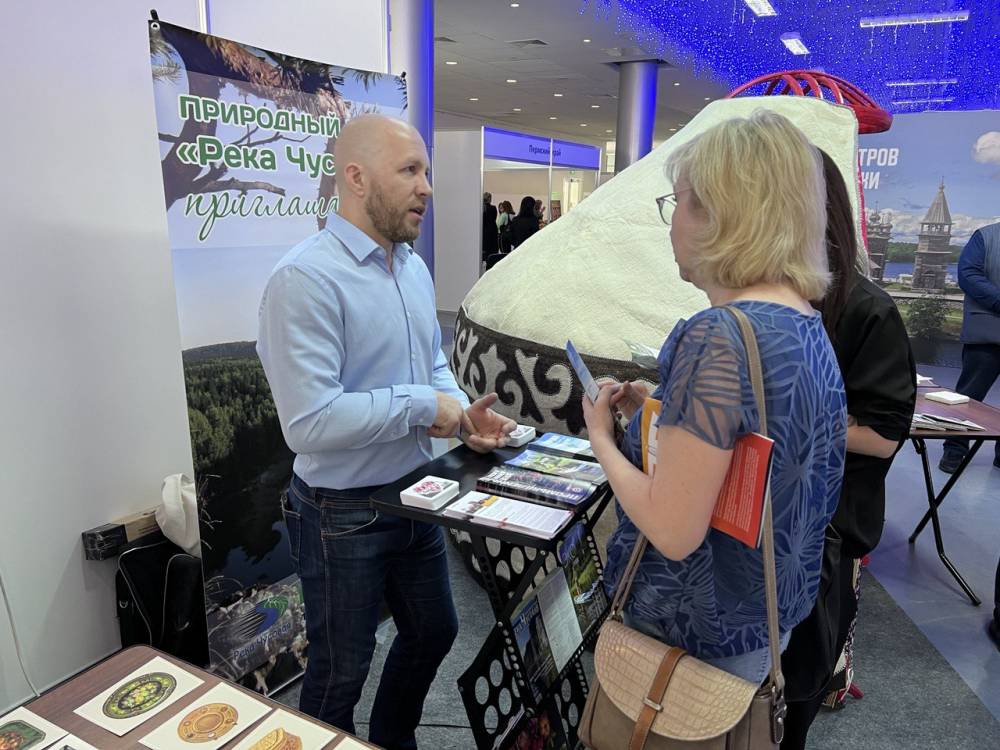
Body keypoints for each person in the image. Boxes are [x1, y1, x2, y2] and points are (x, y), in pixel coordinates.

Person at [257, 114, 514, 749]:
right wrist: (425, 405)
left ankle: (391, 740)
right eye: (409, 171)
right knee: (339, 673)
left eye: (425, 170)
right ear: (355, 177)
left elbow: (429, 364)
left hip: (413, 494)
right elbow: (310, 422)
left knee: (434, 632)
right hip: (339, 513)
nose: (427, 186)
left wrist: (463, 416)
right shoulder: (303, 281)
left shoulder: (412, 269)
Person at [582, 109, 847, 687]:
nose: (672, 220)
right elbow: (757, 443)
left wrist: (602, 439)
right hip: (766, 625)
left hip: (693, 645)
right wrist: (662, 407)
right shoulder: (805, 323)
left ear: (721, 215)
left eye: (677, 202)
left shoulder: (717, 336)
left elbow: (674, 531)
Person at [779, 151, 916, 749]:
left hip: (826, 531)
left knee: (795, 694)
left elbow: (884, 436)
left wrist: (787, 420)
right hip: (770, 527)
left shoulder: (866, 308)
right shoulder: (772, 302)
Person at [939, 221, 1000, 473]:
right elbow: (968, 274)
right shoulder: (985, 236)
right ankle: (955, 450)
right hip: (987, 334)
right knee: (969, 397)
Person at [482, 191, 499, 261]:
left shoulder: (481, 209)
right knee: (492, 253)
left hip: (484, 231)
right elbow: (494, 218)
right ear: (489, 199)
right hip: (492, 231)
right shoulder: (493, 208)